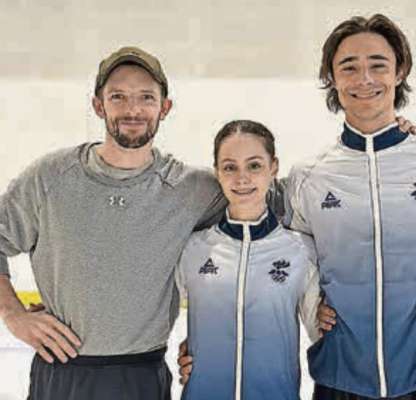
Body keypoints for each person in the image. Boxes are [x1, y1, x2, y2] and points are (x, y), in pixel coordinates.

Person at [0, 46, 226, 400]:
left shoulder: (193, 190)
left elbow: (259, 217)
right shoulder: (50, 178)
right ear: (98, 106)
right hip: (61, 375)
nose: (132, 109)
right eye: (118, 96)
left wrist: (211, 341)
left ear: (164, 108)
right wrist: (13, 314)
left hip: (141, 377)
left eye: (146, 97)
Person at [285, 14, 416, 399]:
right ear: (331, 77)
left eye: (378, 65)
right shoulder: (309, 176)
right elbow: (292, 251)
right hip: (340, 378)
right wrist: (310, 307)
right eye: (349, 67)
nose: (365, 79)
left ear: (400, 71)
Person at [178, 120, 321, 400]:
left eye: (254, 165)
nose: (242, 178)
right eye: (230, 167)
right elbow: (153, 317)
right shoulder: (193, 249)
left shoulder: (300, 251)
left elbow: (323, 334)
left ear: (274, 167)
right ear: (217, 172)